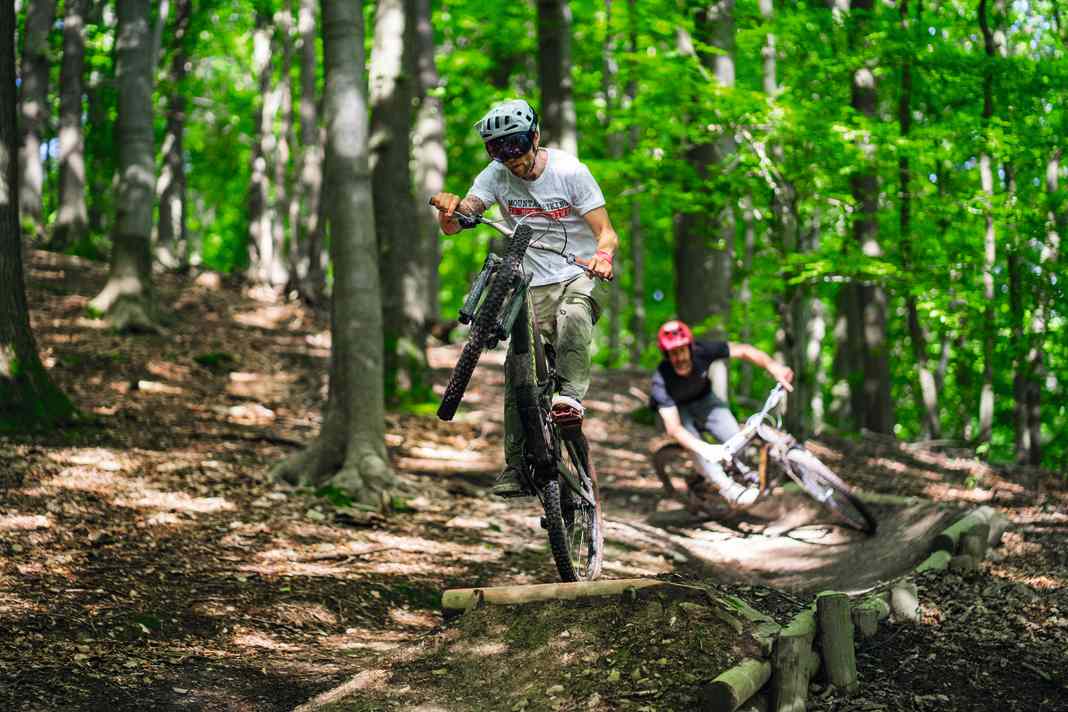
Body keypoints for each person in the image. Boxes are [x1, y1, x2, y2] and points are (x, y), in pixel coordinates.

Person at [431, 99, 620, 496]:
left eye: (515, 145)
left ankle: (569, 398)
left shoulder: (570, 171)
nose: (510, 157)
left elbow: (607, 233)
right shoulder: (496, 174)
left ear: (534, 137)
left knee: (574, 313)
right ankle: (518, 467)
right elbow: (460, 220)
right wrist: (449, 210)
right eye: (498, 149)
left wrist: (602, 257)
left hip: (579, 273)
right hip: (532, 284)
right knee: (519, 367)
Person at [650, 319, 795, 507]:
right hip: (679, 410)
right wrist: (703, 448)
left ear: (690, 348)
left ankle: (736, 471)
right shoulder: (660, 381)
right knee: (696, 447)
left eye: (682, 351)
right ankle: (728, 488)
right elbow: (674, 428)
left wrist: (773, 366)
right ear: (666, 355)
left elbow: (743, 350)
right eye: (673, 353)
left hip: (705, 400)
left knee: (735, 437)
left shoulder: (702, 351)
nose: (679, 358)